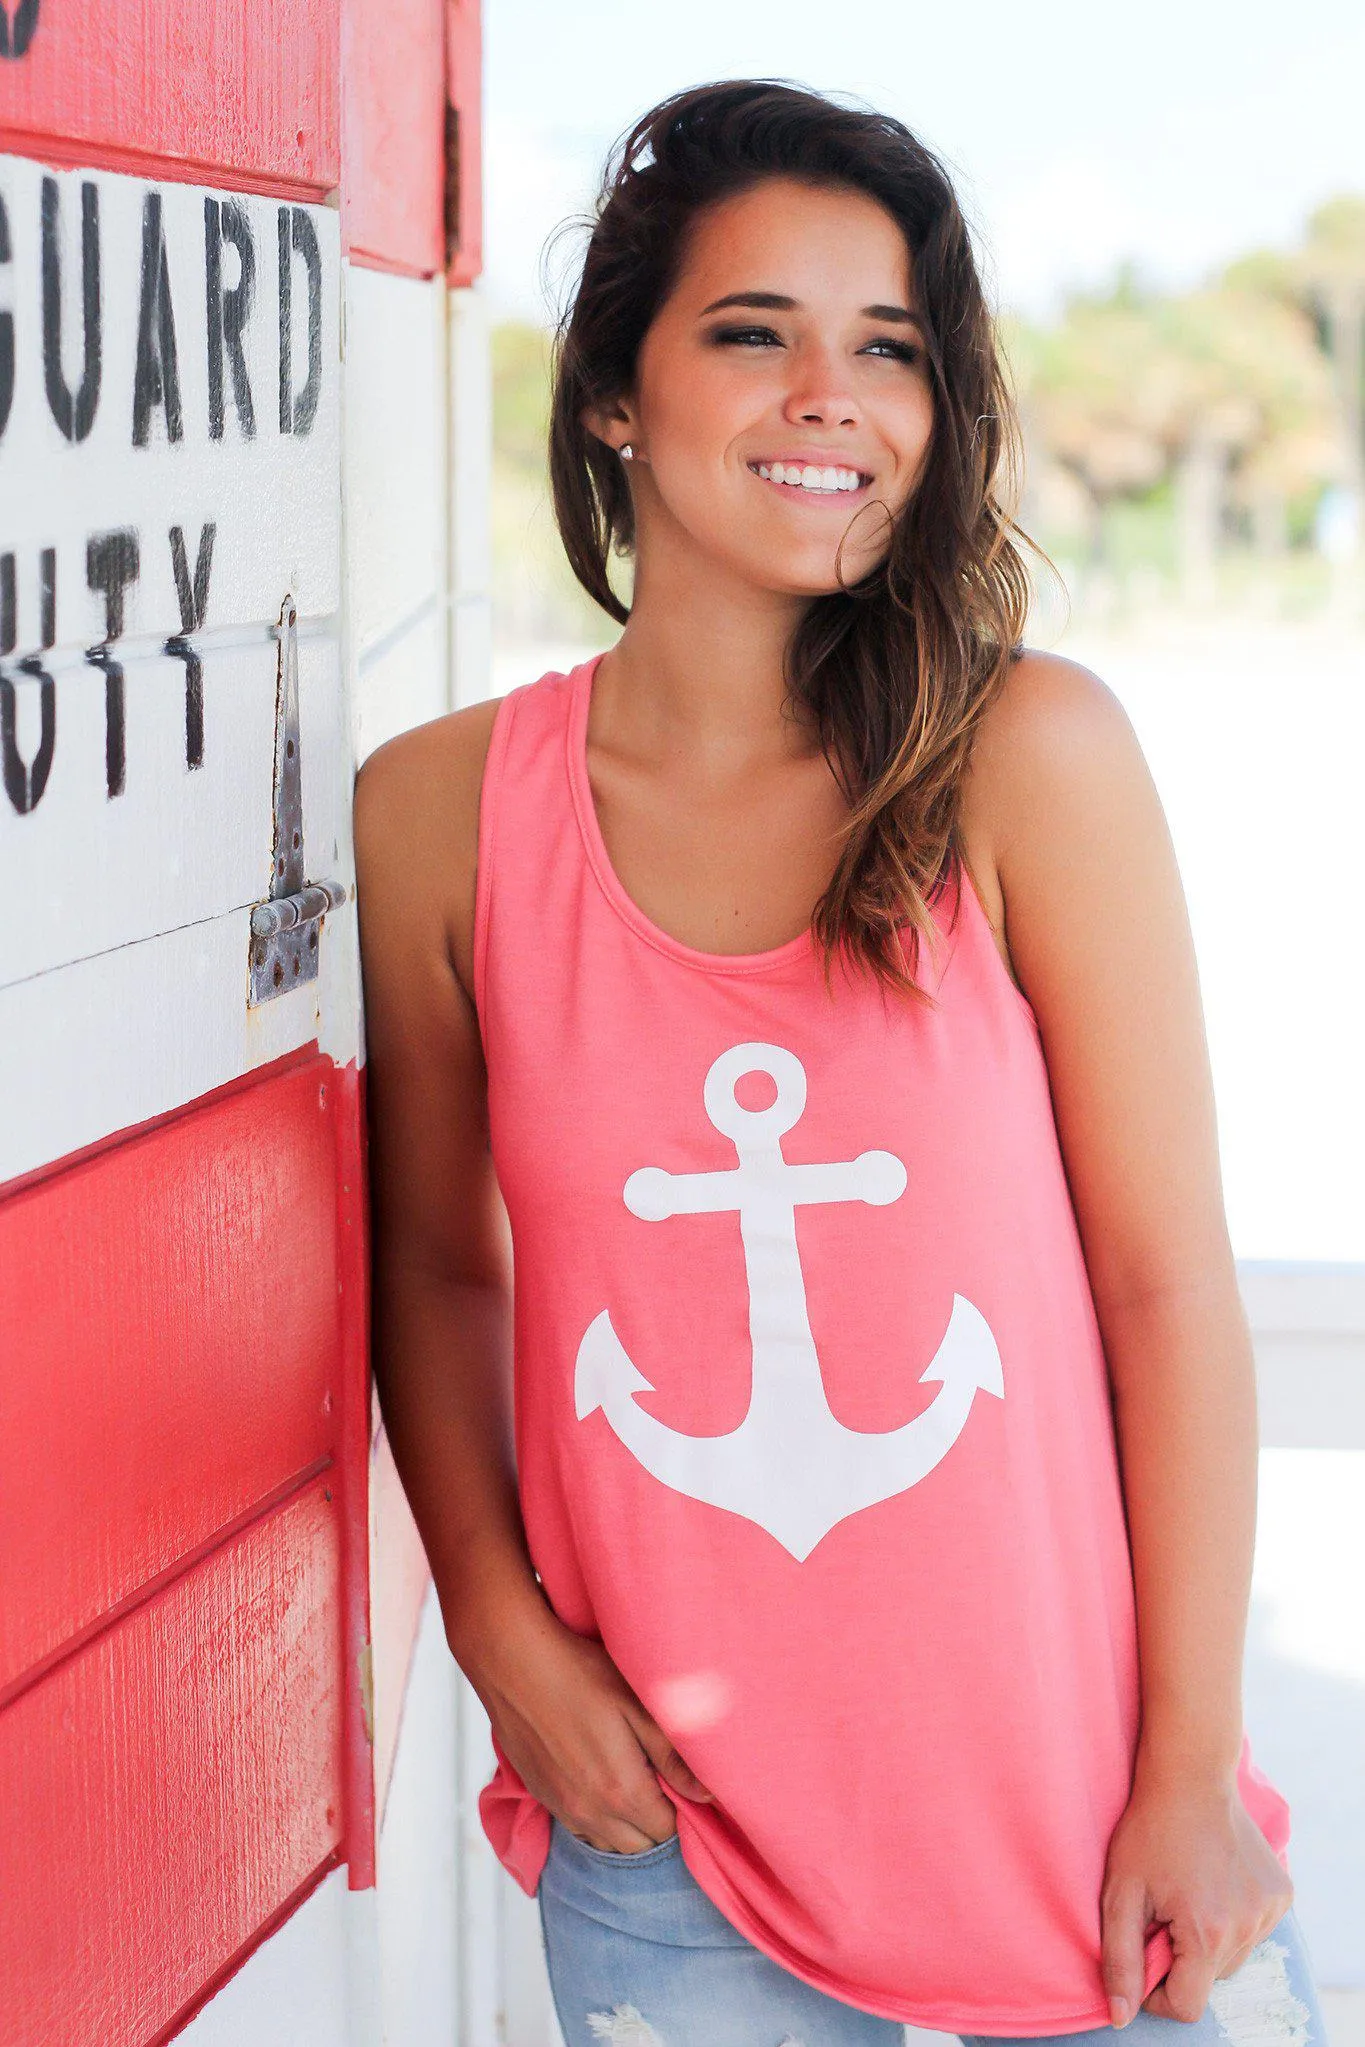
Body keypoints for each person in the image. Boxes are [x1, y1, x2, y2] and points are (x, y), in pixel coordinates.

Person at [353, 78, 1330, 2047]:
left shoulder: (1026, 761)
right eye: (750, 334)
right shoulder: (437, 817)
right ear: (612, 394)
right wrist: (494, 1625)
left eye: (885, 349)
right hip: (669, 1849)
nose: (831, 396)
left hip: (1084, 1846)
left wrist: (1189, 1773)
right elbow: (443, 1268)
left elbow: (1162, 1290)